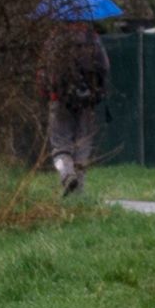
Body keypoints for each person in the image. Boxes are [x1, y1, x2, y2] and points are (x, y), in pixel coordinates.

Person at [43, 18, 110, 197]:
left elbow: (44, 70)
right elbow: (105, 68)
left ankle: (66, 174)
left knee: (60, 146)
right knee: (83, 146)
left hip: (60, 100)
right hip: (87, 102)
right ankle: (78, 193)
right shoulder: (93, 38)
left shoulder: (55, 40)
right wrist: (96, 91)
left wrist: (49, 92)